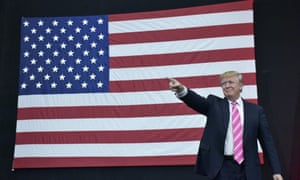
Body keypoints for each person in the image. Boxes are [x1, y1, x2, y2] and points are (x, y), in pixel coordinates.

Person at [168, 71, 283, 180]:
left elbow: (267, 143)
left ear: (241, 86)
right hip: (222, 168)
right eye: (223, 83)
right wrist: (181, 90)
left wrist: (276, 170)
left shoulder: (256, 111)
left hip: (248, 169)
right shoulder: (214, 105)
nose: (227, 86)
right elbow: (197, 101)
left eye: (230, 82)